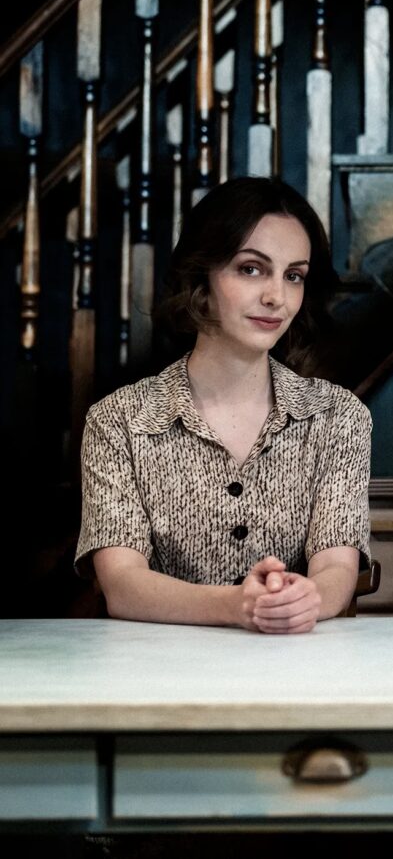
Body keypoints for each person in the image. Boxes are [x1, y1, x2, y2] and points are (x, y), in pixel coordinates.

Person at [76, 177, 370, 634]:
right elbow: (122, 583)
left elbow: (337, 566)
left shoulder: (338, 416)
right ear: (202, 277)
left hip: (294, 669)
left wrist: (306, 597)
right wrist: (236, 605)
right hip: (156, 674)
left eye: (293, 275)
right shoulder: (118, 420)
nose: (276, 296)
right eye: (251, 269)